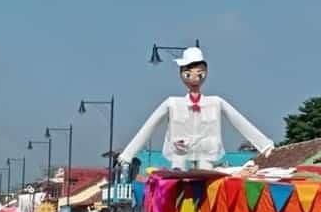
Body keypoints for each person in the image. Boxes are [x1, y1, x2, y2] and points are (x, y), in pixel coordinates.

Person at [117, 46, 274, 171]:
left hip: (207, 151)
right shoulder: (172, 103)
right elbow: (149, 126)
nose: (194, 78)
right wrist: (128, 154)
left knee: (206, 170)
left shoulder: (215, 102)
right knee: (178, 167)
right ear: (182, 73)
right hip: (180, 151)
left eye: (200, 73)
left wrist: (263, 144)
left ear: (205, 73)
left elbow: (239, 121)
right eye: (188, 73)